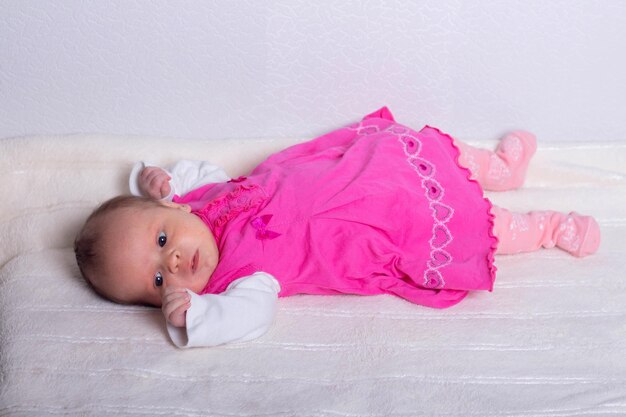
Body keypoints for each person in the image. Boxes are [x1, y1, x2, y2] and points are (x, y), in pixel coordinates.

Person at [74, 107, 601, 348]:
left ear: (177, 212)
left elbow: (197, 176)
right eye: (159, 284)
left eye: (162, 240)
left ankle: (499, 170)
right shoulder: (236, 282)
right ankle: (547, 229)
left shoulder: (199, 199)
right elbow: (250, 318)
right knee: (454, 225)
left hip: (355, 171)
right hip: (374, 229)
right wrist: (199, 317)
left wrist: (160, 179)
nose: (170, 263)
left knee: (416, 150)